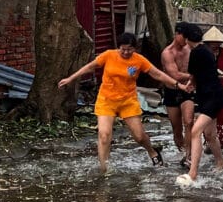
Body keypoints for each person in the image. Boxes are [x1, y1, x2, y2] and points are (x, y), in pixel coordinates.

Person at [58, 32, 188, 173]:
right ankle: (104, 168)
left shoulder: (139, 60)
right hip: (106, 100)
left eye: (129, 49)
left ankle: (152, 151)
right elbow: (90, 66)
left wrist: (178, 85)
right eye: (123, 49)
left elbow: (157, 74)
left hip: (128, 101)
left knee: (139, 136)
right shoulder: (108, 55)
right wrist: (71, 78)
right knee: (104, 135)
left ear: (135, 48)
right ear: (118, 47)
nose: (126, 52)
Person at [178, 23, 223, 183]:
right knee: (210, 134)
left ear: (186, 38)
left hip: (211, 97)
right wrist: (192, 84)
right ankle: (221, 162)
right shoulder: (205, 50)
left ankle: (193, 173)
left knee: (195, 131)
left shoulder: (196, 53)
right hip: (210, 95)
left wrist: (188, 84)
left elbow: (192, 74)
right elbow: (199, 75)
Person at [161, 22, 194, 167]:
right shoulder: (167, 53)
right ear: (177, 34)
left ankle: (189, 155)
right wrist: (194, 76)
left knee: (188, 122)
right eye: (184, 37)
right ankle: (182, 151)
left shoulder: (190, 49)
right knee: (176, 128)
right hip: (172, 91)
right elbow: (174, 74)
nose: (186, 41)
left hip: (187, 91)